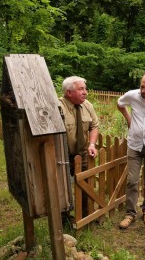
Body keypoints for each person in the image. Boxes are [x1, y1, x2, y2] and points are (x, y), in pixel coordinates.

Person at [117, 73, 145, 229]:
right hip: (134, 145)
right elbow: (120, 103)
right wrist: (129, 119)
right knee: (132, 181)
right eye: (141, 86)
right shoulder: (133, 95)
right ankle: (130, 213)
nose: (142, 90)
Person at [59, 76, 99, 221]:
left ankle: (85, 214)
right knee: (62, 187)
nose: (85, 92)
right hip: (62, 155)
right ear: (69, 92)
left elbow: (94, 126)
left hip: (82, 154)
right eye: (81, 89)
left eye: (85, 88)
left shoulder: (87, 105)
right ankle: (63, 218)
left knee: (85, 183)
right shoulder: (58, 107)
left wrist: (92, 144)